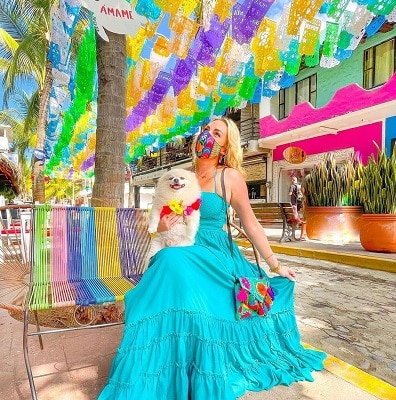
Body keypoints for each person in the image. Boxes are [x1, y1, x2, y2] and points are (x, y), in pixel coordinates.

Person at [98, 118, 325, 400]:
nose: (208, 135)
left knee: (172, 263)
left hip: (215, 254)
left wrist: (275, 264)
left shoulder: (228, 176)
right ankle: (161, 365)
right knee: (170, 263)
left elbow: (250, 222)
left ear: (225, 146)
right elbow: (159, 215)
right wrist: (162, 226)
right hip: (181, 243)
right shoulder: (181, 174)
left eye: (217, 133)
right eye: (206, 130)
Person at [289, 176, 307, 240]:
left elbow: (290, 193)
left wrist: (290, 192)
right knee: (300, 217)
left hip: (294, 203)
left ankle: (298, 222)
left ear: (292, 180)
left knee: (295, 216)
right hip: (299, 203)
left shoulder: (292, 186)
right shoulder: (299, 186)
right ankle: (302, 236)